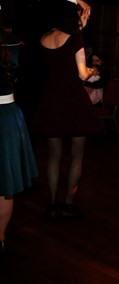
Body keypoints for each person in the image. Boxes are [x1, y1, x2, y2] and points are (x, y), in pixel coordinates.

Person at [31, 0, 102, 219]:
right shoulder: (75, 40)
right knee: (77, 156)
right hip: (73, 102)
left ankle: (53, 203)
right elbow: (81, 74)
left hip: (51, 101)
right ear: (73, 17)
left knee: (53, 157)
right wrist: (92, 71)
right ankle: (69, 203)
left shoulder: (45, 38)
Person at [0, 25, 39, 252]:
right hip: (9, 116)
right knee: (5, 184)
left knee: (6, 184)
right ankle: (1, 237)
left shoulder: (16, 44)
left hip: (7, 116)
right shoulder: (16, 43)